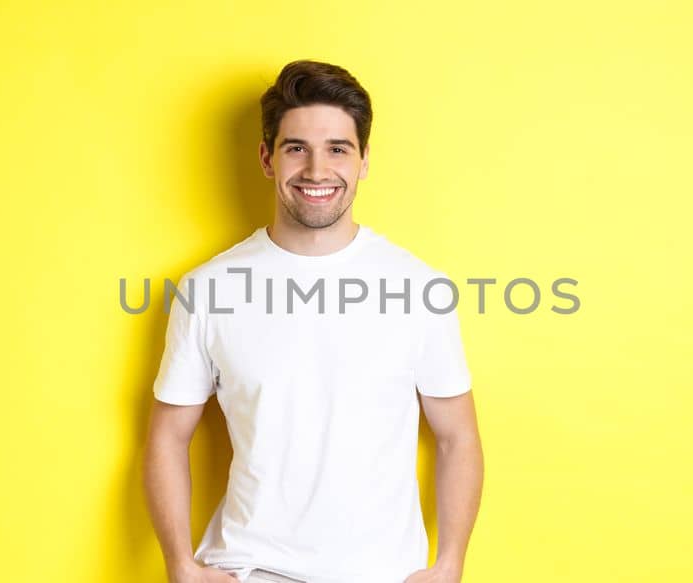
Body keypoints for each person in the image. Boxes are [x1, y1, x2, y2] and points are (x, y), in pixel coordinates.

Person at [143, 59, 483, 583]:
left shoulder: (420, 288)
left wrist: (450, 566)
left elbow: (457, 436)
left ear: (364, 160)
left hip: (385, 574)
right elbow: (167, 436)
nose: (317, 171)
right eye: (296, 148)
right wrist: (180, 566)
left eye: (338, 149)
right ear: (267, 158)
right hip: (250, 569)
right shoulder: (207, 289)